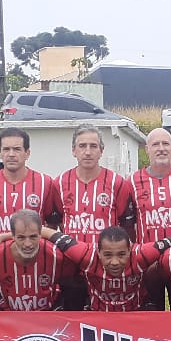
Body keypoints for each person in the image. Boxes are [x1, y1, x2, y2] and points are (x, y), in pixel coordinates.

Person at [52, 124, 136, 310]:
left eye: (93, 146)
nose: (88, 152)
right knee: (73, 321)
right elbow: (56, 221)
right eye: (82, 146)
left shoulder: (118, 183)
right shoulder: (59, 183)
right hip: (71, 266)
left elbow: (127, 226)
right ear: (74, 150)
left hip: (104, 267)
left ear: (101, 151)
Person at [131, 128, 171, 309]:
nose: (161, 148)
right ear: (147, 149)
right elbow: (127, 224)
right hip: (148, 263)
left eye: (165, 144)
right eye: (155, 144)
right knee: (151, 312)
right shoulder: (133, 181)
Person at [60, 225, 171, 313]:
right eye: (108, 255)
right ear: (98, 252)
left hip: (135, 313)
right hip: (97, 315)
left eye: (121, 254)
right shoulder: (85, 255)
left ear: (130, 250)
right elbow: (49, 234)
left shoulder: (141, 255)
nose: (114, 262)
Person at [0, 209, 75, 313]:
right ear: (12, 236)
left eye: (33, 237)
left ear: (41, 234)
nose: (28, 244)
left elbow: (73, 280)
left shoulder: (56, 255)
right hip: (9, 317)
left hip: (49, 315)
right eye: (21, 238)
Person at [0, 127, 59, 234]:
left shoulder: (45, 182)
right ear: (0, 153)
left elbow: (52, 222)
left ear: (27, 153)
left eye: (17, 149)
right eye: (6, 149)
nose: (11, 154)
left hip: (33, 249)